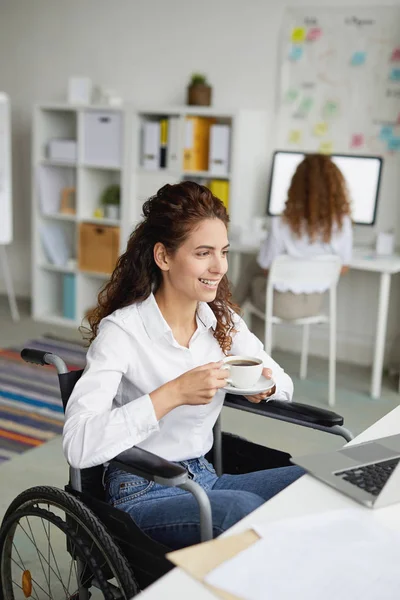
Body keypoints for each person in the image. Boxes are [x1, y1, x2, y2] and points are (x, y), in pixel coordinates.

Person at [63, 181, 303, 551]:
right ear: (164, 256)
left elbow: (282, 381)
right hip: (141, 491)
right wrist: (172, 394)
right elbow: (78, 444)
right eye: (203, 253)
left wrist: (265, 387)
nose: (219, 266)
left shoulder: (222, 323)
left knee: (314, 482)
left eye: (223, 251)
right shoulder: (122, 333)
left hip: (204, 478)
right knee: (242, 510)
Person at [234, 153, 353, 320]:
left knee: (253, 274)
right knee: (257, 275)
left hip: (281, 304)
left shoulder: (281, 223)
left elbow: (266, 267)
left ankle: (224, 321)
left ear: (296, 187)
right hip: (314, 304)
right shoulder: (342, 224)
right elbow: (343, 267)